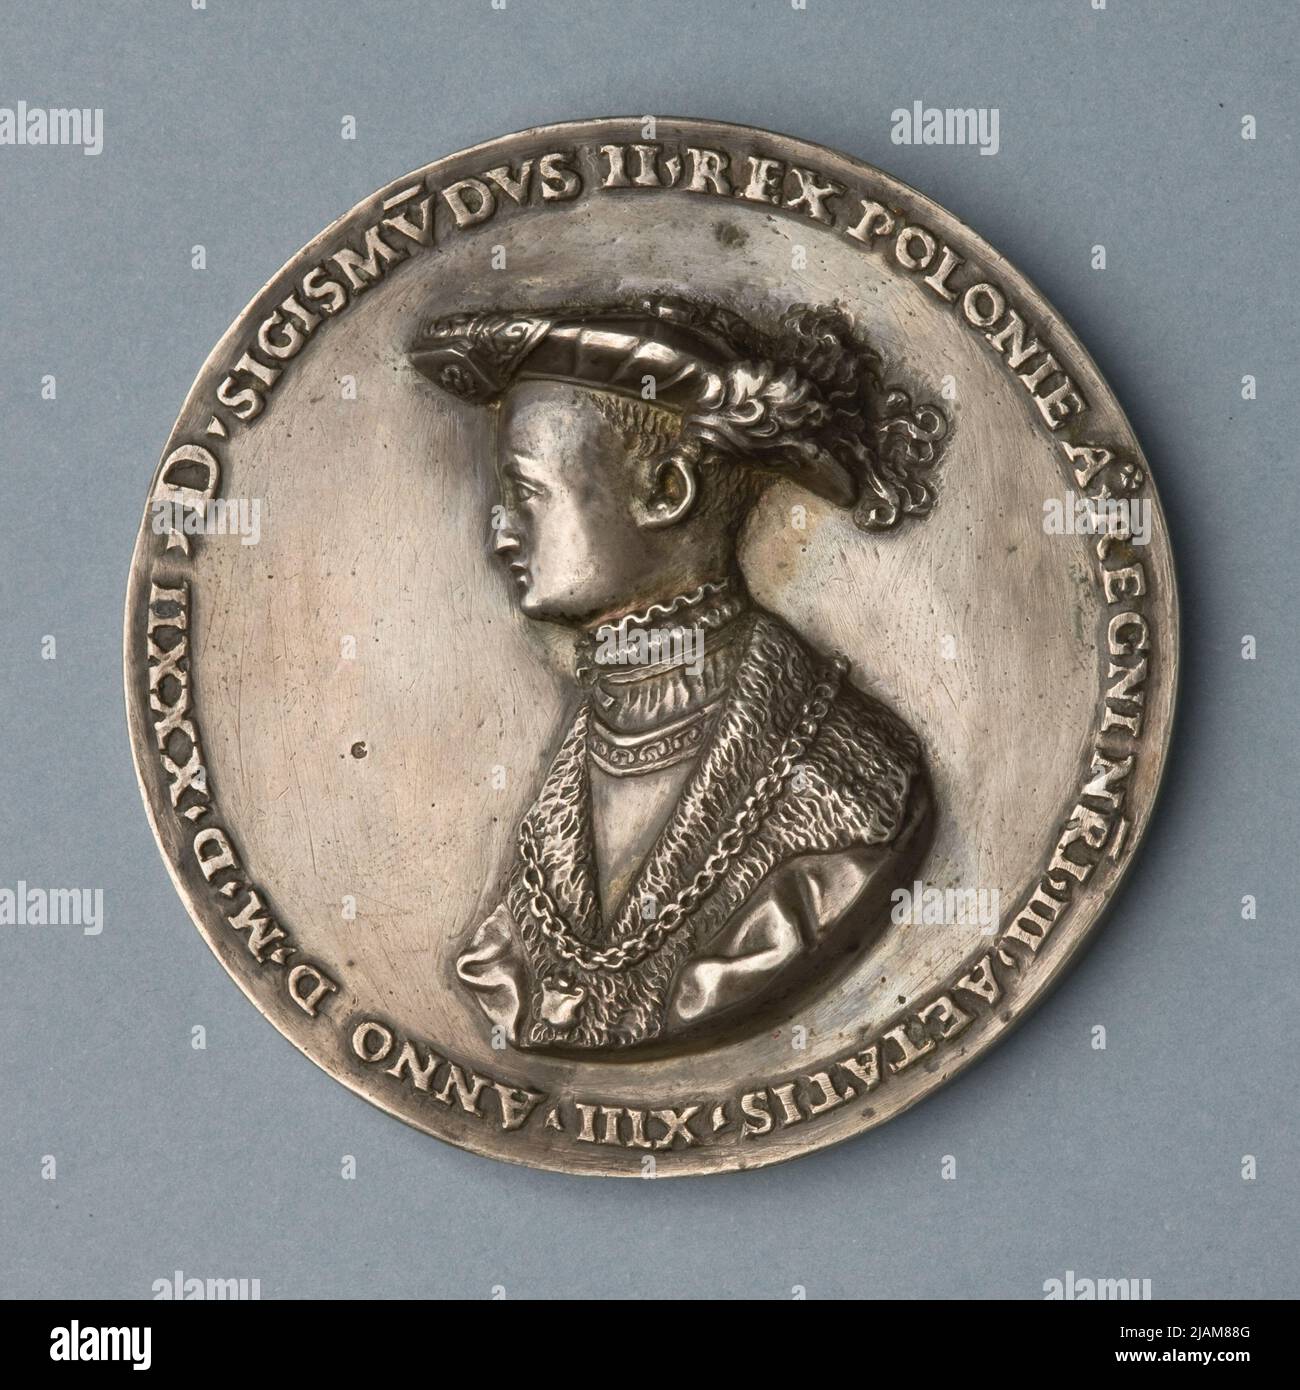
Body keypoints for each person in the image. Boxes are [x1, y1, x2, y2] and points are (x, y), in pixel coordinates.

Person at [409, 296, 946, 1052]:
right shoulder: (582, 760)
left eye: (526, 493)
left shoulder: (854, 790)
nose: (499, 533)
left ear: (666, 492)